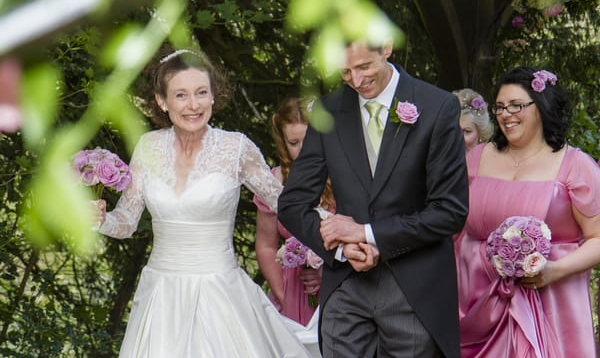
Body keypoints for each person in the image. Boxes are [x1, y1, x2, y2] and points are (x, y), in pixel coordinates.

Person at [94, 47, 311, 357]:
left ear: (213, 96)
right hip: (162, 299)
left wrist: (336, 233)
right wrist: (100, 218)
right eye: (181, 95)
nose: (193, 105)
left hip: (221, 297)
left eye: (201, 93)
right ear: (161, 101)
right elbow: (126, 223)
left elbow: (287, 204)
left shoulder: (236, 148)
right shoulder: (147, 147)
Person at [278, 40, 469, 358]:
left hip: (413, 288)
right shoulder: (329, 110)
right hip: (346, 287)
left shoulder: (437, 106)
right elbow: (292, 204)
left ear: (387, 48)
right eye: (345, 71)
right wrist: (341, 247)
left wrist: (367, 234)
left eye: (364, 66)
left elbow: (450, 211)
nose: (355, 80)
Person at [454, 67, 600, 357]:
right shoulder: (476, 158)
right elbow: (452, 226)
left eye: (516, 105)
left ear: (541, 107)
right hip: (477, 301)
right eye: (500, 107)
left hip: (551, 302)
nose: (506, 114)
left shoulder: (575, 165)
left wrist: (554, 270)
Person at [253, 97, 335, 326]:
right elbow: (266, 246)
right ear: (283, 143)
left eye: (308, 140)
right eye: (294, 142)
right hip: (293, 288)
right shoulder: (275, 181)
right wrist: (283, 294)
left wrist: (326, 276)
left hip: (339, 285)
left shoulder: (343, 176)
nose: (302, 149)